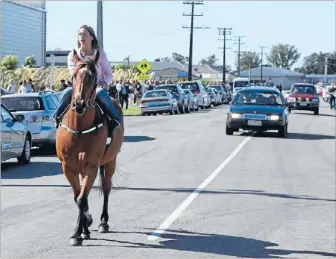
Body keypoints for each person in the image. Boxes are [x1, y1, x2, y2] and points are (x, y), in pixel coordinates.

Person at [53, 25, 120, 128]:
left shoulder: (100, 54)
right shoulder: (73, 55)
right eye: (79, 34)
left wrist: (103, 83)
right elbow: (72, 73)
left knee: (101, 93)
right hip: (78, 86)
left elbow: (109, 75)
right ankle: (56, 117)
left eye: (84, 34)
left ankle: (115, 120)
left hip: (95, 87)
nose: (81, 37)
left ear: (91, 37)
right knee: (67, 92)